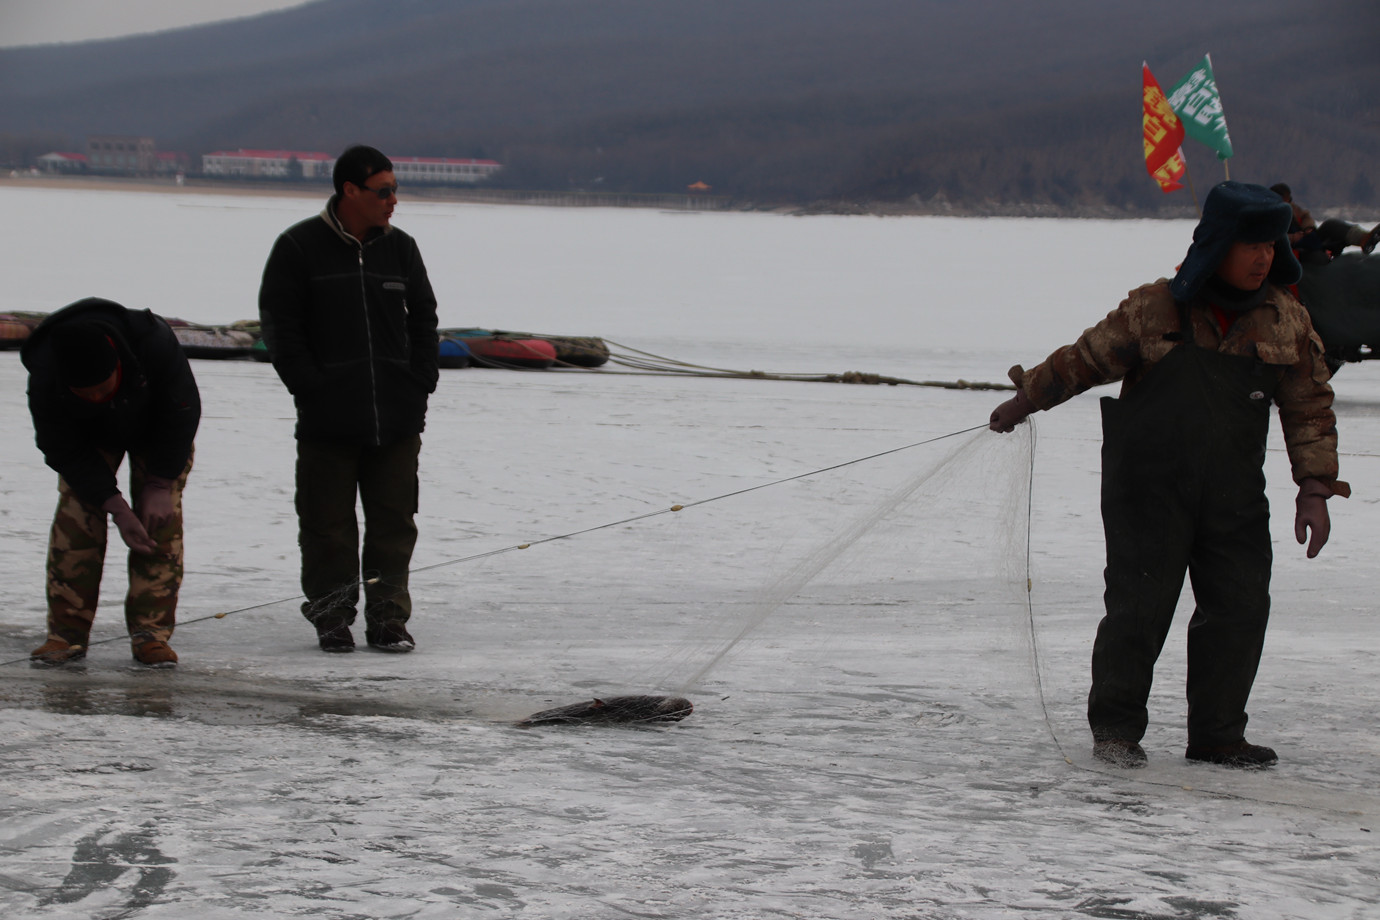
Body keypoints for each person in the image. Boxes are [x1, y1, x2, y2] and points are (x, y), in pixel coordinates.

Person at [989, 181, 1348, 769]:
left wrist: (1314, 488)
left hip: (1233, 494)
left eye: (1270, 245)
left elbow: (1310, 405)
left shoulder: (1284, 319)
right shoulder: (1157, 308)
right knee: (1138, 607)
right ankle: (1116, 731)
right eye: (1249, 245)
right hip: (1148, 491)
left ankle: (1217, 735)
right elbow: (1084, 359)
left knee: (1238, 608)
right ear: (1218, 244)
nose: (1262, 257)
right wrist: (1026, 400)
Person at [258, 145, 439, 654]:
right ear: (350, 191)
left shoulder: (401, 248)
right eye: (384, 191)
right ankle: (332, 617)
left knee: (393, 525)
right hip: (327, 419)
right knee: (327, 527)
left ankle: (388, 620)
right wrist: (311, 387)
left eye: (395, 190)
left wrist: (419, 381)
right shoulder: (298, 247)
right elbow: (281, 328)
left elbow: (423, 320)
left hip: (396, 418)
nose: (393, 200)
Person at [21, 297, 201, 668]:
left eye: (104, 389)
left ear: (117, 363)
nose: (97, 399)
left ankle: (150, 635)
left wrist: (159, 485)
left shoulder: (154, 344)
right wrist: (115, 506)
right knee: (77, 518)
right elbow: (61, 448)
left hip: (158, 432)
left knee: (158, 524)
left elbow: (182, 414)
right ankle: (66, 635)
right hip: (88, 440)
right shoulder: (45, 373)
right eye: (86, 396)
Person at [1269, 182, 1378, 259]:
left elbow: (1305, 216)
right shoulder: (1269, 215)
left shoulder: (1292, 208)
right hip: (1292, 247)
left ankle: (1363, 239)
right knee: (1318, 254)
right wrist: (1293, 238)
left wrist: (1308, 228)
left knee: (1331, 225)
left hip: (1307, 237)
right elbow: (1272, 238)